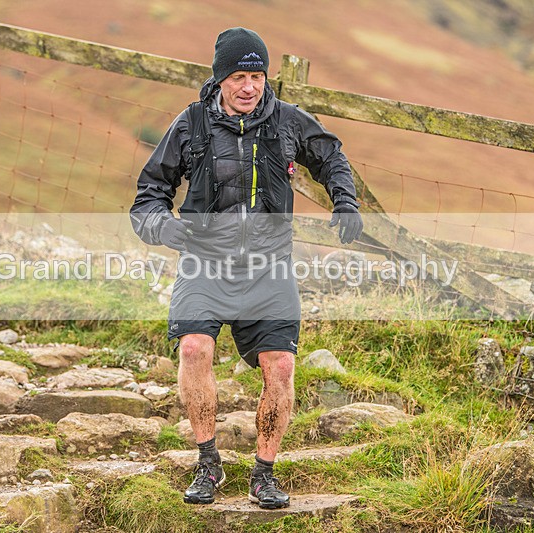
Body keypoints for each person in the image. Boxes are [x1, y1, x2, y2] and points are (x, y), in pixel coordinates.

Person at [130, 27, 362, 509]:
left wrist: (345, 201)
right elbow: (148, 195)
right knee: (193, 348)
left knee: (281, 365)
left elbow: (332, 157)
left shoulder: (288, 121)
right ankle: (207, 463)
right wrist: (164, 228)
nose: (249, 87)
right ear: (220, 79)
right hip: (205, 261)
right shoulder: (191, 125)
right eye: (238, 76)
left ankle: (264, 474)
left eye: (257, 76)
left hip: (268, 265)